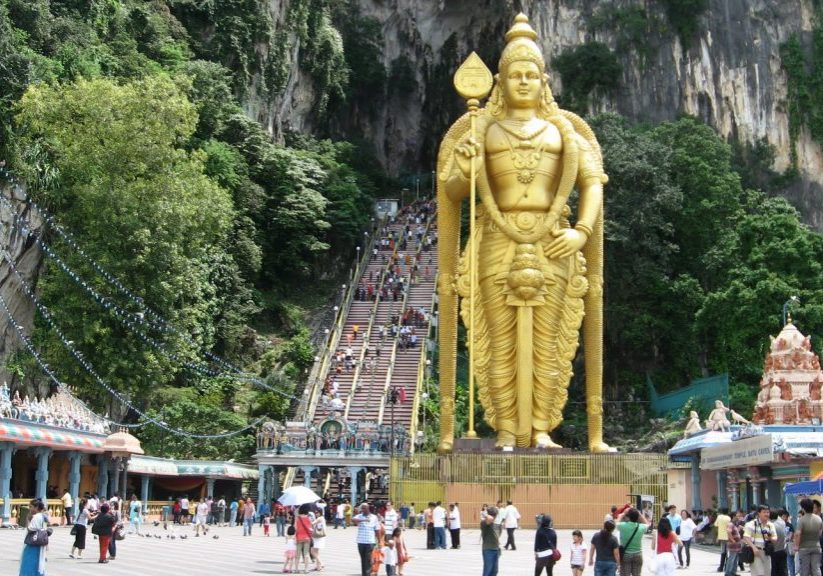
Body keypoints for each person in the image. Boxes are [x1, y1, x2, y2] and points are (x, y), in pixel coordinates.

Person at [436, 13, 609, 453]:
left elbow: (592, 183)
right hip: (497, 237)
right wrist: (466, 164)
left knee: (549, 343)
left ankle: (542, 429)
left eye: (532, 74)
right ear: (499, 80)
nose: (524, 81)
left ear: (544, 80)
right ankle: (506, 431)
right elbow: (453, 190)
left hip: (554, 240)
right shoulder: (482, 128)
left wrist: (582, 231)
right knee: (500, 340)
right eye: (516, 74)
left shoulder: (565, 131)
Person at [744, 505, 778, 576]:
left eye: (768, 512)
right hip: (756, 552)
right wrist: (754, 548)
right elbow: (746, 537)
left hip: (767, 552)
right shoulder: (751, 524)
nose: (766, 514)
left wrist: (770, 538)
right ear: (758, 513)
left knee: (767, 573)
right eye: (764, 512)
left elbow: (775, 539)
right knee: (759, 573)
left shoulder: (770, 525)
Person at [19, 499, 50, 576]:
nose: (30, 509)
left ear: (36, 508)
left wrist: (28, 519)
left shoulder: (36, 517)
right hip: (40, 543)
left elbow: (30, 529)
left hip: (33, 544)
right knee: (38, 563)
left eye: (31, 507)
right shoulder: (43, 516)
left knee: (29, 563)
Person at [616, 507, 649, 576]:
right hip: (638, 554)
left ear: (629, 516)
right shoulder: (641, 527)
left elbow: (616, 524)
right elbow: (647, 524)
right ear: (637, 517)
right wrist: (640, 514)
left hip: (626, 554)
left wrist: (622, 514)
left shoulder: (623, 526)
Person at [794, 498, 822, 576]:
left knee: (805, 570)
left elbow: (798, 533)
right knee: (816, 568)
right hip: (816, 546)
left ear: (803, 508)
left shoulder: (801, 520)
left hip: (804, 548)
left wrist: (796, 546)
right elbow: (820, 532)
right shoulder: (818, 518)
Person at [354, 503, 381, 576]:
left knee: (368, 559)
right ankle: (364, 574)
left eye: (364, 508)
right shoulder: (359, 516)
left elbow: (377, 530)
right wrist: (364, 520)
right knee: (363, 559)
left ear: (368, 508)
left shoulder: (374, 517)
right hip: (360, 541)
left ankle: (367, 574)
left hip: (370, 542)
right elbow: (353, 519)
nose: (362, 510)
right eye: (362, 508)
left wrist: (379, 541)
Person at [481, 506, 501, 576]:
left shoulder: (497, 525)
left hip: (496, 549)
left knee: (495, 571)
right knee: (487, 571)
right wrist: (487, 514)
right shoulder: (484, 523)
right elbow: (489, 519)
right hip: (488, 549)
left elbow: (497, 536)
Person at [294, 503, 313, 574]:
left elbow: (295, 528)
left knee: (297, 554)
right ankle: (306, 569)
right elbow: (310, 528)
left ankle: (296, 569)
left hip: (299, 538)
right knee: (306, 554)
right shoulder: (308, 518)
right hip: (307, 538)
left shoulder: (297, 518)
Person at [726, 510, 744, 576]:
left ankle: (733, 572)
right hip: (733, 545)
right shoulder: (730, 524)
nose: (738, 517)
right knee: (731, 559)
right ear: (733, 516)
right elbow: (728, 532)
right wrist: (732, 540)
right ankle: (728, 573)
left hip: (736, 546)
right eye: (737, 516)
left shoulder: (735, 524)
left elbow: (734, 533)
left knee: (735, 559)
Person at [772, 509, 789, 576]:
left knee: (774, 571)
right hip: (782, 549)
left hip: (774, 551)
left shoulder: (771, 525)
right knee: (783, 570)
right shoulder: (782, 523)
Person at [716, 508, 733, 573]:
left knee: (723, 551)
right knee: (728, 552)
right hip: (728, 536)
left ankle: (721, 567)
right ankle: (726, 566)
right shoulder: (729, 518)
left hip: (721, 536)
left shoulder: (719, 517)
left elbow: (716, 525)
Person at [311, 506, 327, 572]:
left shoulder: (320, 518)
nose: (316, 513)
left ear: (320, 512)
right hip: (319, 537)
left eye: (317, 512)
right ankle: (318, 567)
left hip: (318, 537)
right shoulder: (321, 518)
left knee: (312, 551)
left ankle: (321, 563)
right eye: (315, 512)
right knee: (317, 552)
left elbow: (312, 524)